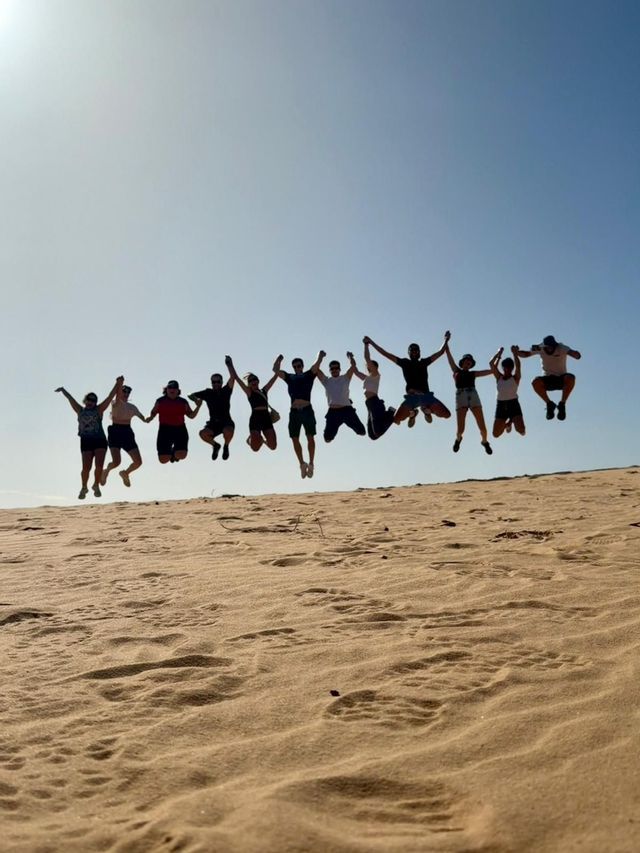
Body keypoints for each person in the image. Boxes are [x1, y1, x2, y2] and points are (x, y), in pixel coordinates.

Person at [55, 376, 123, 499]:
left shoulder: (99, 410)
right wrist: (63, 391)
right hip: (86, 441)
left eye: (93, 401)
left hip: (99, 440)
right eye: (89, 400)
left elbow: (109, 397)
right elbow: (71, 399)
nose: (91, 403)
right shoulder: (80, 410)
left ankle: (96, 485)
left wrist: (118, 384)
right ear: (85, 401)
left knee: (99, 466)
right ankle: (84, 487)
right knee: (86, 468)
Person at [364, 333, 452, 426]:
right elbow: (385, 353)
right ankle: (413, 414)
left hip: (426, 396)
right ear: (409, 353)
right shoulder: (405, 363)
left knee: (447, 414)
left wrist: (446, 339)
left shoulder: (423, 362)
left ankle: (427, 411)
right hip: (412, 397)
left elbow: (441, 352)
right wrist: (371, 343)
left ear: (419, 352)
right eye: (412, 351)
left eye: (416, 351)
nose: (414, 353)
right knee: (396, 419)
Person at [272, 352, 322, 478]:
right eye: (294, 367)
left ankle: (311, 464)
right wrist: (279, 359)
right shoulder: (290, 377)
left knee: (310, 437)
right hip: (294, 411)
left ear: (302, 366)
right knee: (294, 438)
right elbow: (275, 370)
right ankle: (302, 464)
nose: (297, 368)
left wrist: (320, 356)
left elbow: (316, 365)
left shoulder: (308, 375)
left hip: (307, 409)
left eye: (299, 366)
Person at [444, 341, 494, 454]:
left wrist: (496, 364)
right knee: (460, 429)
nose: (468, 363)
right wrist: (446, 341)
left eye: (470, 362)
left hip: (473, 395)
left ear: (471, 364)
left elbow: (489, 371)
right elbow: (448, 355)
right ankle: (458, 439)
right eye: (466, 361)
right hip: (461, 397)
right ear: (462, 363)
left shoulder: (473, 374)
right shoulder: (456, 371)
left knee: (482, 427)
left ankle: (485, 441)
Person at [517, 335, 582, 421]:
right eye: (548, 347)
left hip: (561, 379)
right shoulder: (540, 347)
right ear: (545, 346)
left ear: (555, 346)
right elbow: (526, 354)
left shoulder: (562, 347)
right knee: (535, 382)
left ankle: (562, 404)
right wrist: (516, 352)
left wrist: (576, 355)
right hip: (548, 379)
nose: (550, 349)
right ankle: (549, 404)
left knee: (571, 378)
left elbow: (573, 353)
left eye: (552, 347)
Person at [225, 356, 278, 452]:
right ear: (248, 384)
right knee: (255, 448)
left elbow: (274, 378)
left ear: (258, 381)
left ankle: (262, 440)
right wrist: (229, 364)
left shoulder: (264, 390)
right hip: (256, 418)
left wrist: (278, 363)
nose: (253, 381)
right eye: (250, 381)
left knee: (273, 446)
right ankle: (250, 440)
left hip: (266, 417)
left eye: (255, 379)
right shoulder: (249, 392)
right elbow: (236, 378)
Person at [101, 384, 147, 487]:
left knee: (138, 462)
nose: (126, 394)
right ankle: (106, 471)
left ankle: (125, 473)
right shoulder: (115, 403)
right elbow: (115, 395)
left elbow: (143, 418)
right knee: (116, 462)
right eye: (123, 392)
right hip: (115, 432)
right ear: (119, 393)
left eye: (128, 392)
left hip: (127, 433)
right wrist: (120, 382)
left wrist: (149, 418)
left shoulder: (132, 407)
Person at [314, 351, 366, 442]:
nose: (334, 370)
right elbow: (316, 369)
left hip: (347, 410)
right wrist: (320, 357)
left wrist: (350, 356)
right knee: (327, 439)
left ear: (339, 369)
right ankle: (332, 427)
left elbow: (353, 366)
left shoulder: (345, 378)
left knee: (362, 432)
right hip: (333, 412)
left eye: (336, 368)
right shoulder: (326, 381)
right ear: (330, 370)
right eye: (332, 369)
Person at [350, 339, 396, 440]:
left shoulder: (376, 375)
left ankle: (390, 414)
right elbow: (355, 371)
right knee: (372, 436)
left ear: (375, 367)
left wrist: (366, 345)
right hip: (369, 405)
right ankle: (387, 416)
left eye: (370, 365)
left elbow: (367, 358)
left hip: (375, 403)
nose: (368, 366)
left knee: (378, 431)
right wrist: (351, 358)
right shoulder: (367, 378)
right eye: (368, 366)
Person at [147, 380, 202, 464]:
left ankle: (174, 453)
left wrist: (198, 406)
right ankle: (171, 453)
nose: (172, 389)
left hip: (180, 429)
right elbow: (154, 411)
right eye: (170, 387)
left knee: (182, 455)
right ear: (166, 389)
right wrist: (150, 417)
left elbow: (191, 416)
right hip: (165, 430)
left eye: (174, 388)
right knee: (163, 460)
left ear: (178, 391)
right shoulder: (160, 401)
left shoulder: (183, 402)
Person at [189, 369, 235, 462]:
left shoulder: (226, 391)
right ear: (211, 383)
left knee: (228, 431)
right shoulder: (208, 393)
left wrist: (229, 365)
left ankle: (226, 446)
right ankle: (215, 445)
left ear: (221, 382)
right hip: (214, 423)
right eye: (213, 382)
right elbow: (190, 395)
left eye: (218, 381)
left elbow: (233, 377)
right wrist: (196, 400)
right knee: (202, 434)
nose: (216, 384)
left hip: (226, 421)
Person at [490, 346, 526, 439]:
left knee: (521, 431)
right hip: (501, 405)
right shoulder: (499, 377)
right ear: (503, 368)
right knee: (495, 434)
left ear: (512, 368)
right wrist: (499, 354)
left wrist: (515, 353)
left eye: (509, 368)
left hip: (513, 403)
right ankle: (508, 424)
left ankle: (511, 420)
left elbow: (518, 365)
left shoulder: (515, 378)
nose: (507, 369)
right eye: (505, 368)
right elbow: (491, 364)